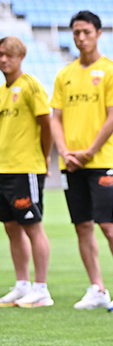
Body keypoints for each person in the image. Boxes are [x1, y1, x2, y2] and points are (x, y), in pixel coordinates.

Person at [49, 10, 113, 310]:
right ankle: (97, 288)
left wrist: (88, 152)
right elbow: (55, 118)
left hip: (101, 161)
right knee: (82, 226)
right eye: (76, 33)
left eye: (86, 32)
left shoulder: (111, 71)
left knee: (108, 225)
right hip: (70, 162)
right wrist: (65, 152)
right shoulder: (65, 74)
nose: (81, 38)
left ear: (98, 34)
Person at [0, 36, 53, 308]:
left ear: (21, 57)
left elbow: (46, 123)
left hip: (25, 169)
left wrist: (44, 157)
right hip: (3, 169)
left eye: (9, 55)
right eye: (0, 55)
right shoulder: (2, 91)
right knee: (11, 227)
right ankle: (22, 285)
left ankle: (41, 288)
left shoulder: (31, 86)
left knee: (33, 226)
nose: (3, 60)